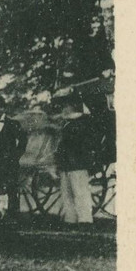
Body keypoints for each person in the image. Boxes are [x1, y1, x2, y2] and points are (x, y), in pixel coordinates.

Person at [0, 95, 27, 217]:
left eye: (2, 107)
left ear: (5, 109)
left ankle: (13, 214)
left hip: (10, 161)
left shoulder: (14, 124)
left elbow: (23, 140)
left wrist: (17, 155)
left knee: (12, 188)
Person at [55, 94, 96, 225]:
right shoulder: (69, 124)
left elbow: (81, 144)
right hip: (68, 163)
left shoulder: (80, 124)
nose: (64, 108)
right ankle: (71, 219)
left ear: (72, 107)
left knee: (79, 192)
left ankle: (84, 220)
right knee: (69, 193)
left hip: (76, 163)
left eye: (66, 106)